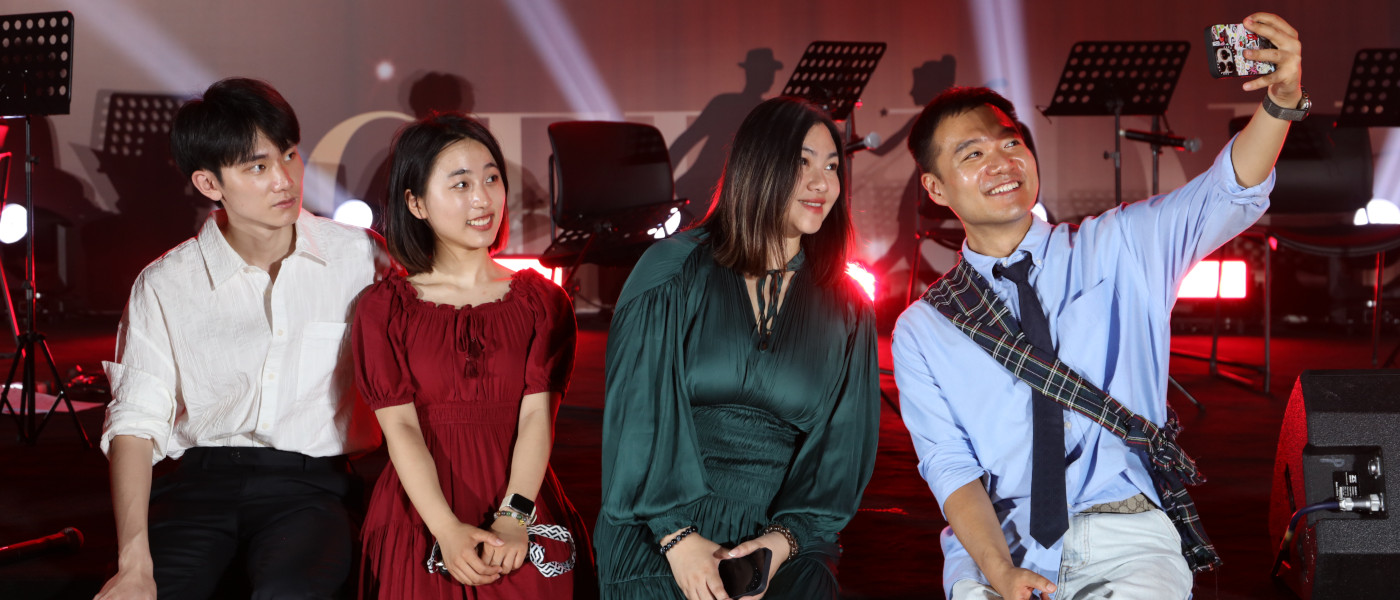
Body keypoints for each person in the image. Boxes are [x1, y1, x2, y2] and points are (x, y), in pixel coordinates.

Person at [892, 13, 1304, 600]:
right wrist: (1001, 573)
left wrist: (1280, 104)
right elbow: (951, 469)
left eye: (1011, 142)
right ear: (936, 189)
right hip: (999, 546)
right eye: (972, 153)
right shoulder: (924, 328)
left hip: (1128, 533)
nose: (1002, 161)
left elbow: (1226, 190)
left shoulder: (1120, 244)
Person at [95, 77, 389, 599]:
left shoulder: (360, 258)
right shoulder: (165, 284)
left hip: (311, 485)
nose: (285, 179)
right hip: (197, 486)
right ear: (210, 184)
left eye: (290, 155)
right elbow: (135, 426)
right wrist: (133, 562)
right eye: (257, 166)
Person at [596, 96, 880, 599]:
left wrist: (778, 543)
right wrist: (678, 538)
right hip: (658, 523)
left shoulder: (848, 306)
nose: (823, 183)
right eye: (802, 164)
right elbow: (637, 416)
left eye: (832, 166)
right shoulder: (673, 269)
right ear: (758, 168)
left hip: (776, 534)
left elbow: (841, 452)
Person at [352, 112, 589, 598]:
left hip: (521, 506)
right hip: (421, 512)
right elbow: (399, 428)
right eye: (460, 184)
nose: (483, 199)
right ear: (415, 203)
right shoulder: (384, 308)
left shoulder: (540, 301)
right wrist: (446, 528)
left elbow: (537, 418)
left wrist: (514, 515)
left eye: (491, 178)